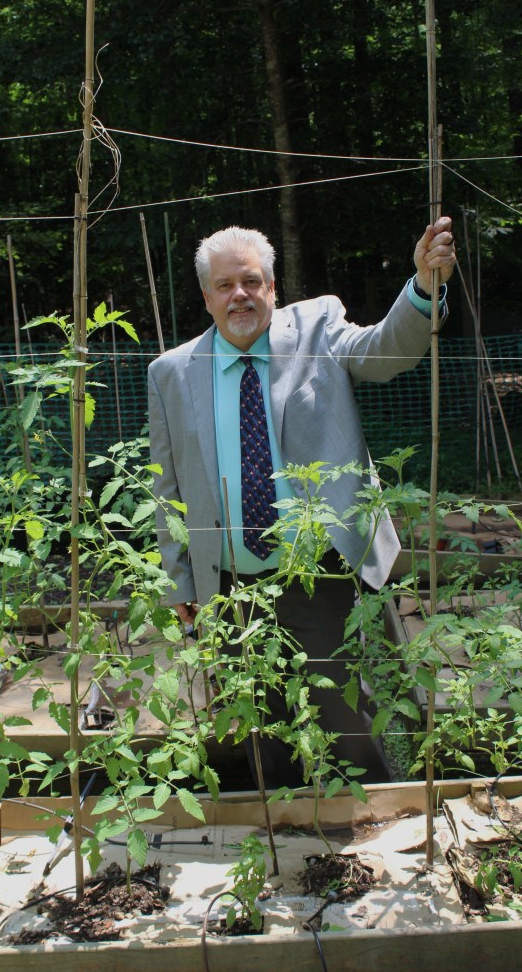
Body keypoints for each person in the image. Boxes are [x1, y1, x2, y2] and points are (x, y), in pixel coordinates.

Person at [148, 218, 456, 786]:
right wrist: (179, 581)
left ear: (272, 286)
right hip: (231, 587)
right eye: (225, 285)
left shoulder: (318, 328)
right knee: (260, 724)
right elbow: (166, 490)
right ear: (206, 297)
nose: (239, 295)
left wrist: (422, 288)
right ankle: (285, 825)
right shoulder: (170, 373)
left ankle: (368, 822)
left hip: (322, 574)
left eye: (251, 281)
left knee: (346, 715)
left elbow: (385, 352)